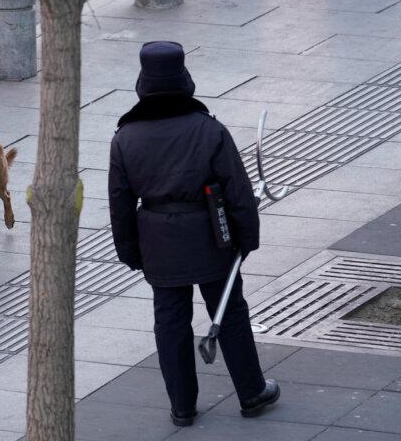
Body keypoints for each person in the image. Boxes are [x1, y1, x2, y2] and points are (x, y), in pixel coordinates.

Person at [108, 41, 280, 427]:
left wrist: (130, 251)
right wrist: (246, 239)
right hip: (212, 237)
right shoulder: (209, 129)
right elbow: (237, 191)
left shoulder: (125, 138)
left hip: (158, 241)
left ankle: (182, 406)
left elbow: (120, 203)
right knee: (230, 312)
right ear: (183, 78)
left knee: (170, 321)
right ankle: (251, 392)